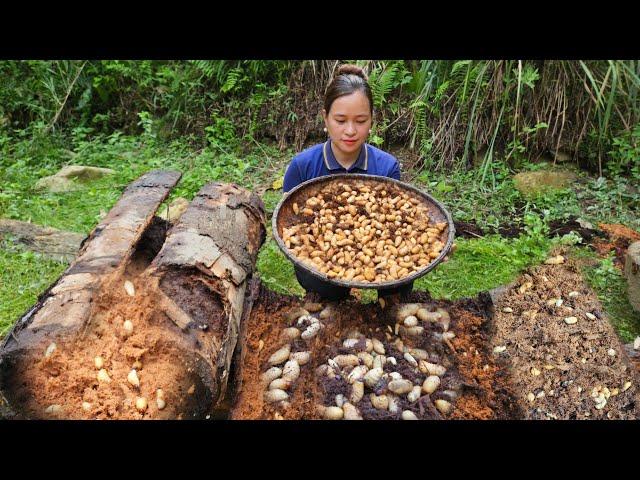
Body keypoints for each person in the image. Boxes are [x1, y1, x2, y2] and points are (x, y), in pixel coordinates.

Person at [283, 64, 413, 302]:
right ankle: (332, 301)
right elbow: (289, 226)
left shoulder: (386, 167)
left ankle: (389, 309)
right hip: (320, 261)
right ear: (325, 117)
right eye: (340, 120)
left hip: (379, 254)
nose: (350, 131)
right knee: (326, 288)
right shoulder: (302, 167)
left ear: (372, 119)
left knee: (399, 281)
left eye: (361, 120)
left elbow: (396, 220)